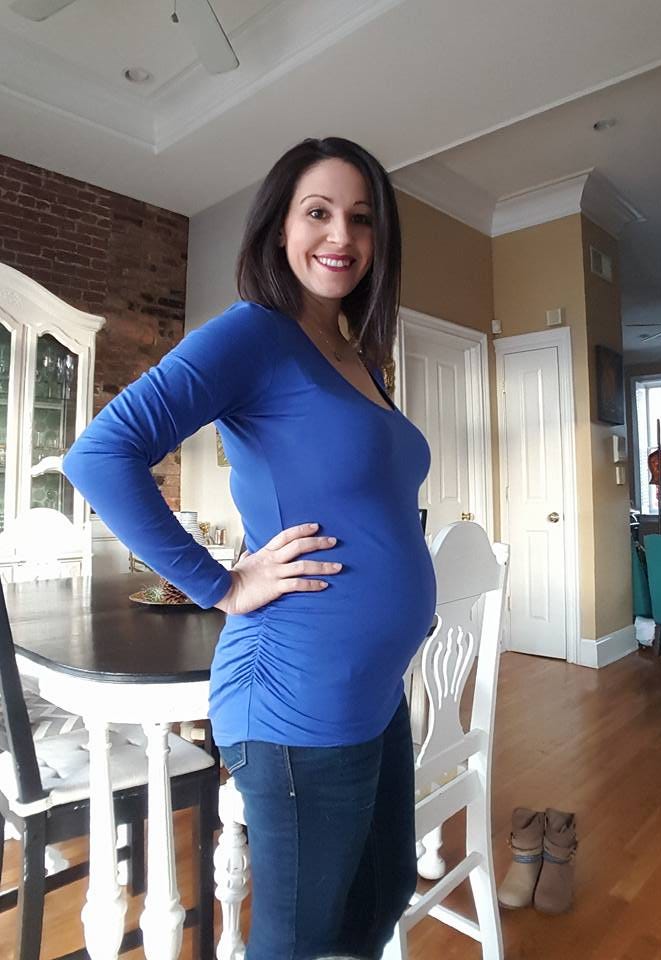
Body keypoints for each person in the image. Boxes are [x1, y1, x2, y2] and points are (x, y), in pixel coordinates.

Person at [62, 136, 437, 960]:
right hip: (295, 695)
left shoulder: (356, 354)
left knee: (378, 902)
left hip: (373, 689)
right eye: (318, 212)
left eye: (362, 218)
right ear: (279, 228)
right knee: (297, 940)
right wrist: (222, 585)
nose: (341, 235)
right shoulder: (254, 335)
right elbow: (99, 455)